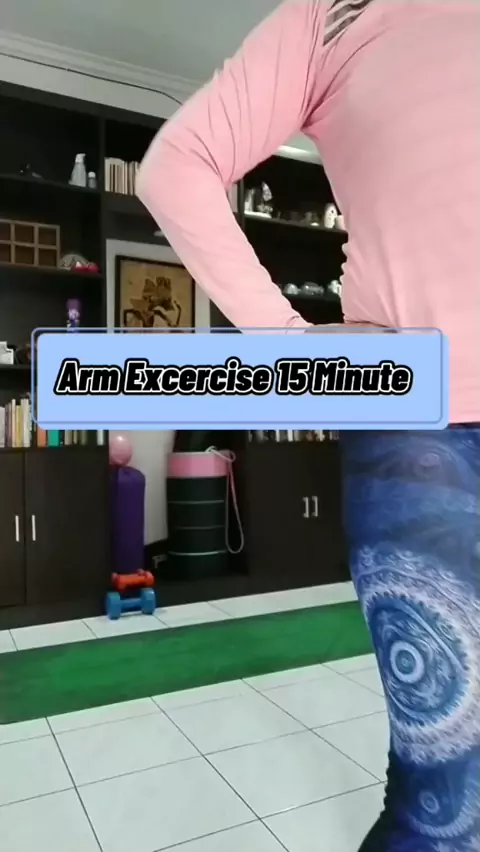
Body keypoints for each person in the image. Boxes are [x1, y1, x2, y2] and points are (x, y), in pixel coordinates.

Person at [136, 1, 480, 849]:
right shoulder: (333, 12)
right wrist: (291, 348)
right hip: (427, 420)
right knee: (449, 806)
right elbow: (176, 165)